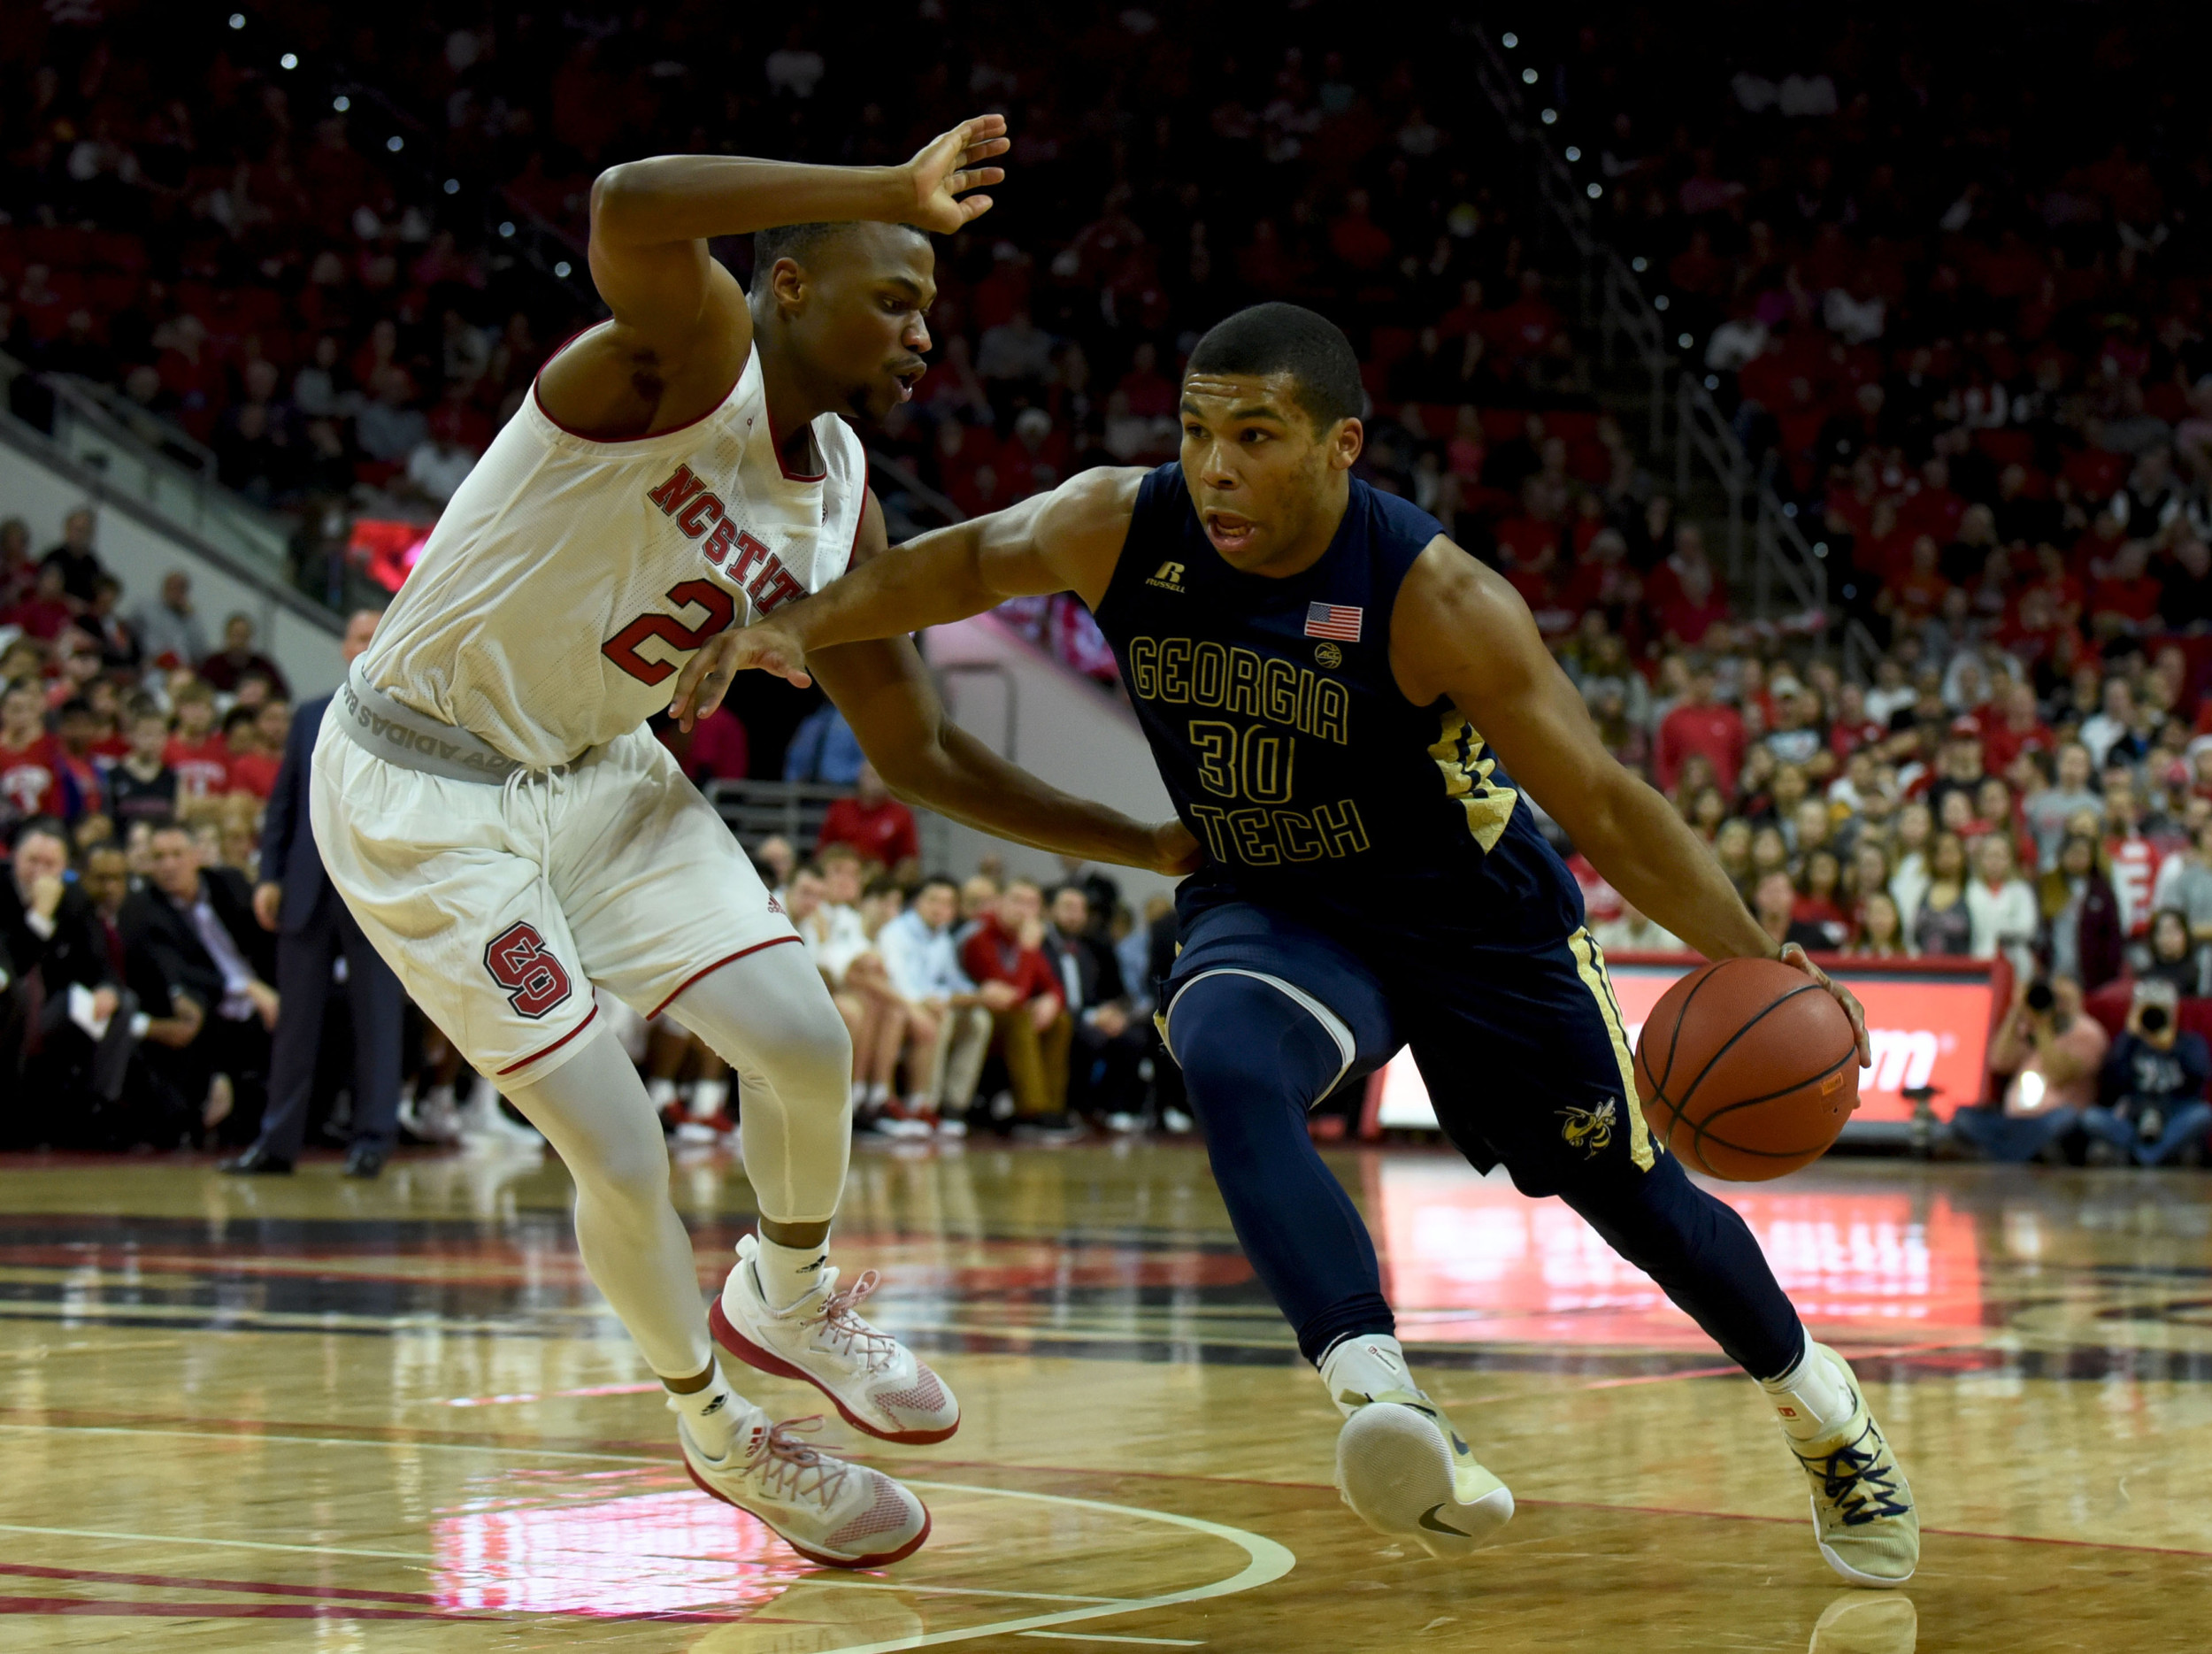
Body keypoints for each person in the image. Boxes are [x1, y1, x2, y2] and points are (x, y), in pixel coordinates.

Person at [705, 300, 1914, 1584]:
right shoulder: (1119, 520)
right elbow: (952, 567)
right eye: (1197, 429)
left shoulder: (1436, 592)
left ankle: (1825, 1413)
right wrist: (803, 623)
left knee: (1634, 1201)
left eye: (1256, 435)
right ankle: (1385, 1398)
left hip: (1473, 923)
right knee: (1223, 1048)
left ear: (1342, 444)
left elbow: (1606, 802)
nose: (1216, 465)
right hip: (1276, 896)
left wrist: (1764, 955)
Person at [304, 119, 1194, 1568]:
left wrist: (1148, 837)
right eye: (892, 295)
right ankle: (716, 1420)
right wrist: (888, 189)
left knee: (804, 1035)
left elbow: (917, 746)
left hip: (599, 770)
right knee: (618, 1132)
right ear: (787, 287)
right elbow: (627, 198)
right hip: (424, 785)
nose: (921, 332)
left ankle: (787, 1288)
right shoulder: (681, 356)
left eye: (929, 309)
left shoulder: (841, 495)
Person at [226, 610, 403, 1179]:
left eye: (376, 637)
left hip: (374, 889)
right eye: (357, 636)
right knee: (295, 1023)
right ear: (342, 646)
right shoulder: (308, 715)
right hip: (306, 887)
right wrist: (268, 877)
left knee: (377, 1018)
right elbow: (282, 806)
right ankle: (277, 1143)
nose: (365, 645)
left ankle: (373, 1138)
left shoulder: (412, 716)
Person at [119, 819, 279, 1144]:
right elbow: (178, 970)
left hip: (267, 991)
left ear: (196, 856)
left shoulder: (229, 885)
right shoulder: (144, 909)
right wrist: (247, 988)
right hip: (214, 1001)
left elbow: (268, 944)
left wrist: (274, 987)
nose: (168, 865)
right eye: (159, 857)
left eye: (177, 854)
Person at [872, 873, 993, 1134]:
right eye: (933, 900)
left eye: (947, 903)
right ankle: (926, 1102)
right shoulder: (895, 933)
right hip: (898, 1006)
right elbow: (899, 984)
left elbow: (954, 980)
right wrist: (939, 1000)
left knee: (980, 1019)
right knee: (942, 1017)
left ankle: (954, 1104)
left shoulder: (942, 939)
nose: (939, 908)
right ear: (917, 902)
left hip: (928, 1004)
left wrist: (979, 994)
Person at [959, 877, 1075, 1136]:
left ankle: (1053, 1107)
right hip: (981, 1016)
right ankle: (1030, 1111)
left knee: (1061, 1020)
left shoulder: (1024, 938)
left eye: (1031, 903)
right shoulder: (979, 936)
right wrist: (1027, 949)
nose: (1023, 910)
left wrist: (1051, 1001)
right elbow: (1011, 995)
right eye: (1016, 901)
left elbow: (1054, 987)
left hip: (1012, 1014)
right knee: (1020, 1018)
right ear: (999, 902)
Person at [1959, 974, 2108, 1162]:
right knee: (1963, 1117)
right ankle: (2025, 1151)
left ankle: (2002, 1152)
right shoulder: (2030, 1027)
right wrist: (2018, 1010)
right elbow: (1998, 1062)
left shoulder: (2087, 1032)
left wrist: (2044, 1029)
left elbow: (2058, 1074)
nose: (2057, 1005)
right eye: (2054, 997)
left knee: (2065, 1121)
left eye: (2064, 998)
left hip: (2053, 1118)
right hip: (2015, 1119)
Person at [2085, 978, 2212, 1166]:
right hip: (2134, 1114)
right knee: (2092, 1118)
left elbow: (2201, 1074)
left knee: (2202, 1114)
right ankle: (2153, 1154)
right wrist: (2129, 1035)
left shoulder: (2189, 1042)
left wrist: (2172, 1046)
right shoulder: (2129, 1043)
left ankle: (2143, 1155)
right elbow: (2111, 1081)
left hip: (2175, 1113)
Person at [815, 761, 921, 880]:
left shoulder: (901, 814)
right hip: (841, 874)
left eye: (878, 776)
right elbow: (823, 849)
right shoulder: (840, 807)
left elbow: (909, 859)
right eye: (870, 775)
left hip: (881, 880)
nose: (874, 781)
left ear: (888, 781)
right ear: (860, 777)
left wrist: (891, 886)